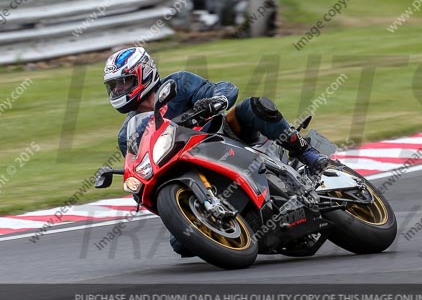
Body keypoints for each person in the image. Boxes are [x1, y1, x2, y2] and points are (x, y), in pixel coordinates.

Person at [104, 46, 330, 256]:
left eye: (124, 83)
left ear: (144, 73)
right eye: (114, 86)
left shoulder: (178, 84)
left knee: (252, 107)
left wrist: (217, 100)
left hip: (226, 136)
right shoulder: (128, 133)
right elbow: (139, 161)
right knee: (180, 243)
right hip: (188, 165)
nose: (118, 90)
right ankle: (245, 225)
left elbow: (224, 87)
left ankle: (307, 153)